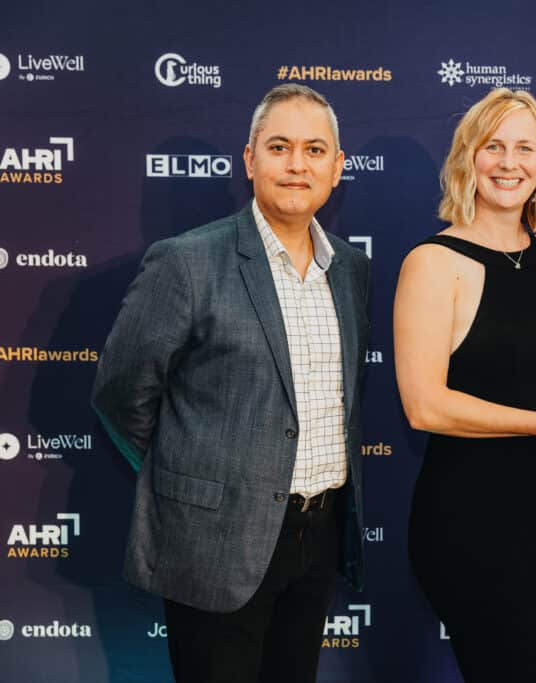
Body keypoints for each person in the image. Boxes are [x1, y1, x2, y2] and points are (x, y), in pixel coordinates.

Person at [91, 83, 371, 683]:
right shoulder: (188, 262)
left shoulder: (351, 270)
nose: (297, 164)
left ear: (337, 167)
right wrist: (198, 474)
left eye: (315, 150)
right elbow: (121, 393)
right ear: (249, 160)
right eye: (279, 147)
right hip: (214, 542)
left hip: (317, 540)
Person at [393, 88, 536, 682]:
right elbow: (424, 406)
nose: (509, 162)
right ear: (468, 158)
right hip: (468, 519)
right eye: (493, 146)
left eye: (525, 148)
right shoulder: (432, 262)